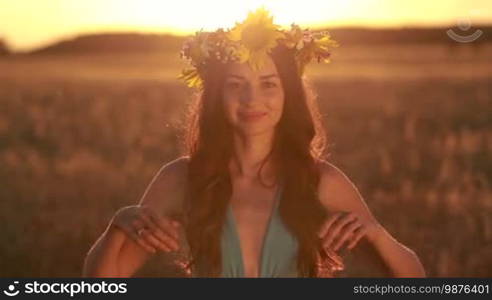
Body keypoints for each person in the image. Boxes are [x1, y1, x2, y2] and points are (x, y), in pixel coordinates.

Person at [82, 8, 426, 278]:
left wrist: (377, 235)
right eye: (235, 84)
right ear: (216, 97)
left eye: (268, 84)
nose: (252, 99)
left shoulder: (322, 182)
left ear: (288, 95)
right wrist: (118, 227)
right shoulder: (182, 179)